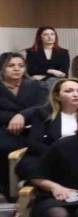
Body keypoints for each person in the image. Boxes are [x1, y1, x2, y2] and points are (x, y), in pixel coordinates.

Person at [15, 78, 78, 184]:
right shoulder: (44, 113)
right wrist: (59, 156)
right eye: (69, 91)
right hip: (53, 158)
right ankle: (52, 187)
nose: (75, 94)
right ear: (57, 96)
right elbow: (34, 143)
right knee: (30, 165)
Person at [1, 52, 50, 193]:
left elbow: (43, 107)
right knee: (4, 146)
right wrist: (12, 118)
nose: (17, 69)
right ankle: (8, 189)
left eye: (21, 65)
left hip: (34, 129)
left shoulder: (38, 85)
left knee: (41, 147)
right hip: (5, 130)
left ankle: (36, 184)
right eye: (11, 65)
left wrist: (22, 115)